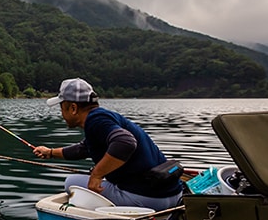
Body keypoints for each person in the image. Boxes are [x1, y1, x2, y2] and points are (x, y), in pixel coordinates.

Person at [33, 78, 183, 211]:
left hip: (147, 200)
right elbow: (83, 149)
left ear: (73, 108)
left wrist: (97, 175)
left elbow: (125, 142)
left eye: (62, 108)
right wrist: (50, 152)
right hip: (173, 196)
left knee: (71, 182)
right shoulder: (103, 119)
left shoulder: (95, 121)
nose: (61, 114)